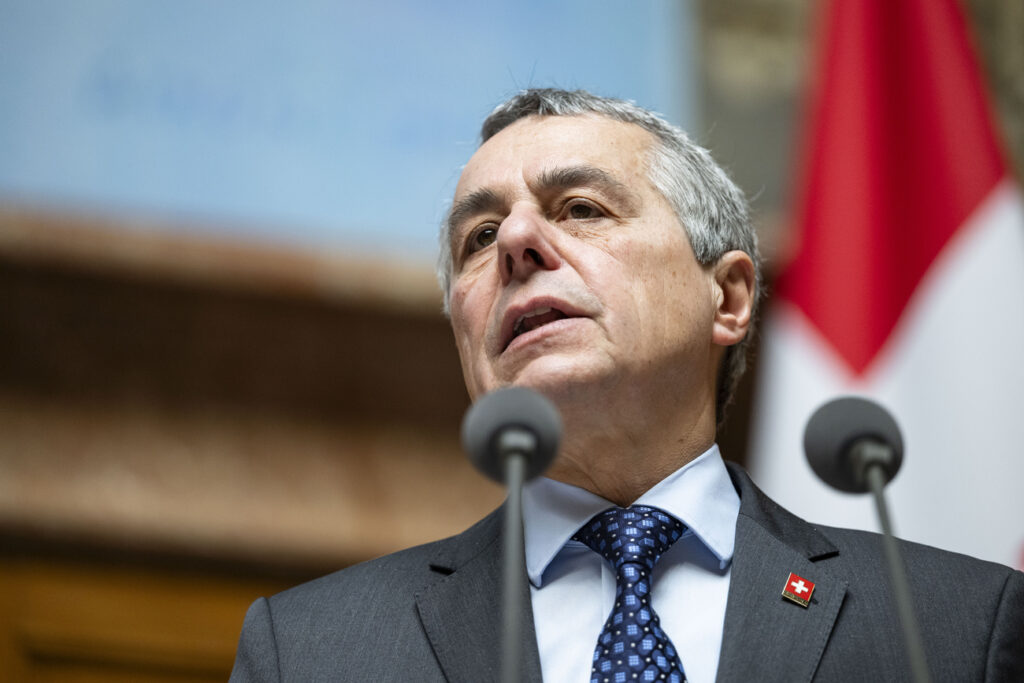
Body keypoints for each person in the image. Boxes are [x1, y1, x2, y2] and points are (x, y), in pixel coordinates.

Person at [229, 89, 1023, 682]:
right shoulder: (311, 652)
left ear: (729, 297)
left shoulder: (952, 627)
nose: (516, 241)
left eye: (580, 208)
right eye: (479, 235)